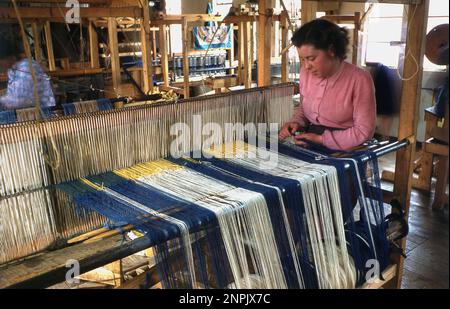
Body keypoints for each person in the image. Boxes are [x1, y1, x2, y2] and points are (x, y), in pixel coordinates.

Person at [279, 19, 376, 150]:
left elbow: (364, 131)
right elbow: (304, 108)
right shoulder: (305, 73)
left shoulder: (359, 79)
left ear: (331, 50)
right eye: (302, 59)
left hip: (346, 149)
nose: (306, 66)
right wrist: (296, 123)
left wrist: (322, 139)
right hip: (309, 140)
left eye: (311, 58)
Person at [0, 34, 55, 111]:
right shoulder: (12, 70)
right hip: (26, 114)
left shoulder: (26, 67)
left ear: (8, 57)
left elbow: (21, 101)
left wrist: (1, 101)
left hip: (42, 115)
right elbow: (13, 96)